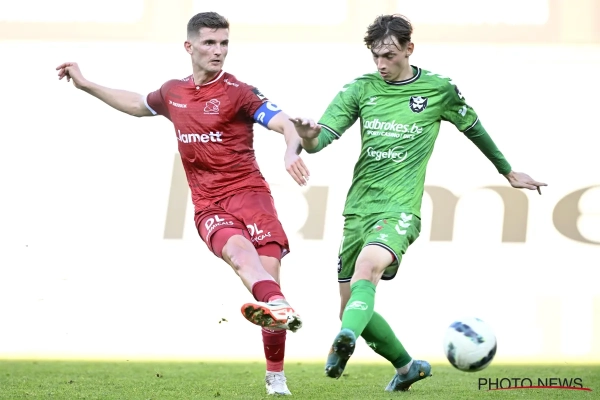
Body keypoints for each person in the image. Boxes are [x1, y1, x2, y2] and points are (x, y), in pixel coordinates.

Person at [56, 11, 309, 396]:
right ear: (189, 47)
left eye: (224, 43)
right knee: (242, 258)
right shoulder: (174, 92)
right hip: (210, 205)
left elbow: (285, 123)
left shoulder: (239, 92)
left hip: (252, 198)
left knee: (267, 279)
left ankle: (276, 375)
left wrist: (291, 149)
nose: (218, 51)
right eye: (210, 43)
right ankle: (279, 307)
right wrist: (86, 84)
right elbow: (138, 103)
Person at [291, 14, 547, 392]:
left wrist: (507, 171)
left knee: (367, 269)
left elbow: (474, 129)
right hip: (358, 210)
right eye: (376, 56)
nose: (381, 64)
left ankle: (344, 339)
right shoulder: (360, 89)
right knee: (350, 307)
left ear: (409, 48)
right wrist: (307, 136)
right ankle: (407, 367)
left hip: (400, 210)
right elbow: (319, 141)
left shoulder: (438, 89)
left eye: (389, 55)